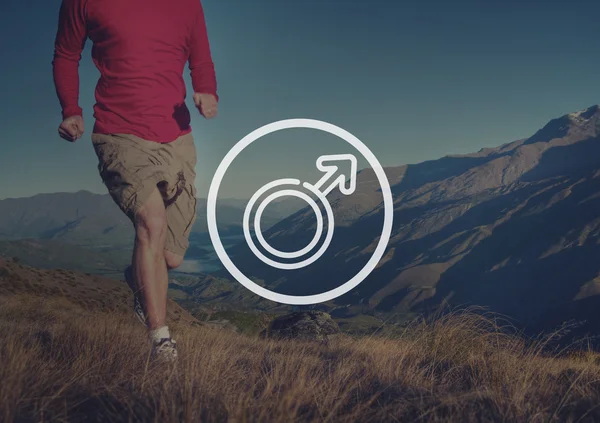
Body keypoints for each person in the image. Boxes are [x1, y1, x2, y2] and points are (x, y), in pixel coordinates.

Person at [52, 0, 218, 362]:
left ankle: (139, 279)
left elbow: (200, 57)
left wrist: (206, 89)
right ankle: (160, 341)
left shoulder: (188, 4)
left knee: (170, 257)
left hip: (176, 136)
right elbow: (66, 54)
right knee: (151, 222)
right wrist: (71, 110)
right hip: (119, 133)